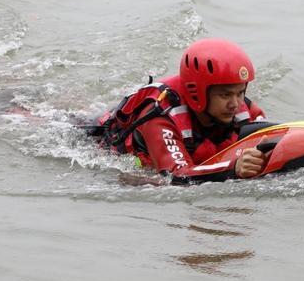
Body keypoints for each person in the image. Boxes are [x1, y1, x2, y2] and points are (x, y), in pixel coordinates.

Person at [89, 38, 268, 184]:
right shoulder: (161, 118)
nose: (235, 104)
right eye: (225, 95)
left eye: (240, 92)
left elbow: (270, 136)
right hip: (96, 136)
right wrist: (233, 168)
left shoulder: (242, 108)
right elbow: (177, 175)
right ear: (198, 93)